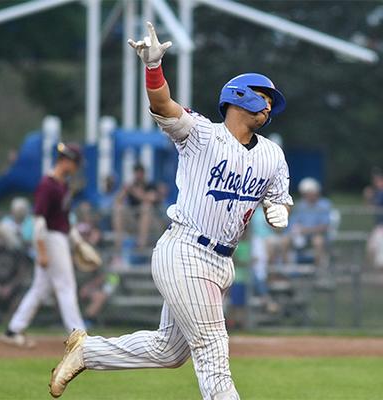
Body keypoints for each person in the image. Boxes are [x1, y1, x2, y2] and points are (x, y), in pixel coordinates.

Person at [50, 22, 293, 400]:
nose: (268, 104)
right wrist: (153, 68)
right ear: (239, 96)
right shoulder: (201, 134)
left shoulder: (272, 154)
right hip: (185, 250)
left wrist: (278, 209)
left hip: (222, 263)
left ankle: (88, 351)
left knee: (170, 350)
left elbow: (279, 199)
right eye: (264, 95)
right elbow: (163, 105)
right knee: (213, 349)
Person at [1, 143, 86, 347]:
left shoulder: (62, 185)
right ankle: (78, 334)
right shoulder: (48, 184)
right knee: (66, 286)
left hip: (59, 237)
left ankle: (13, 330)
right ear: (66, 161)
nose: (76, 167)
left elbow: (65, 220)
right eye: (75, 163)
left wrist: (78, 243)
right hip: (50, 238)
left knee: (40, 288)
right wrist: (41, 251)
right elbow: (39, 220)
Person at [113, 163, 166, 249]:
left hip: (153, 222)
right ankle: (117, 244)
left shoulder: (150, 186)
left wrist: (135, 192)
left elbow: (151, 198)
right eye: (136, 173)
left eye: (140, 173)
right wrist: (124, 191)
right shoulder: (131, 186)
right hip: (134, 222)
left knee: (146, 207)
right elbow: (117, 201)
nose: (138, 176)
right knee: (119, 209)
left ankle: (141, 245)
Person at [282, 177, 332, 266]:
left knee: (318, 241)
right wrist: (294, 231)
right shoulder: (300, 206)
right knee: (285, 240)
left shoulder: (324, 205)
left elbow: (324, 226)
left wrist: (306, 230)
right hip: (300, 236)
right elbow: (292, 224)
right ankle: (287, 269)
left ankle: (317, 269)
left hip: (317, 235)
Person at [364, 167, 383, 268]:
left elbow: (372, 207)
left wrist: (368, 197)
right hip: (379, 227)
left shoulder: (381, 192)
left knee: (378, 256)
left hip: (381, 228)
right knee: (371, 249)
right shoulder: (379, 192)